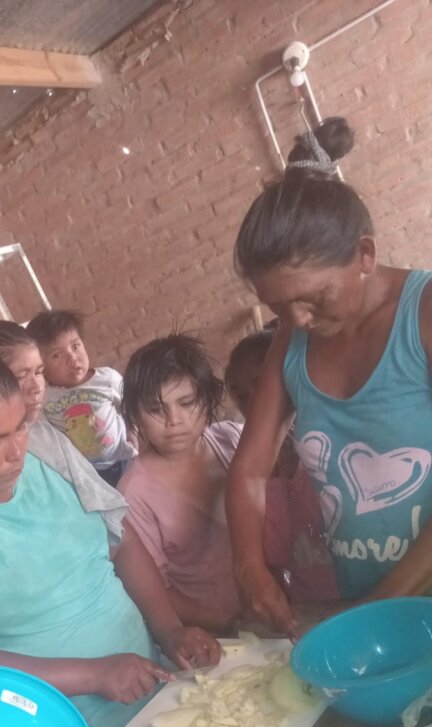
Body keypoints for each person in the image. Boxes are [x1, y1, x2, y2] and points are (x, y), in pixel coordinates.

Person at [0, 345, 220, 727]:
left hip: (158, 690)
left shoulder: (46, 447)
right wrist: (93, 675)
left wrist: (170, 630)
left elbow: (122, 541)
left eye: (20, 427)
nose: (16, 453)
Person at [227, 115, 432, 635]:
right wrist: (250, 569)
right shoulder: (291, 339)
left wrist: (376, 608)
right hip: (363, 598)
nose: (298, 320)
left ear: (365, 254)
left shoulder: (423, 316)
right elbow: (250, 470)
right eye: (279, 306)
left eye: (315, 297)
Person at [118, 334, 242, 632]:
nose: (175, 420)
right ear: (135, 415)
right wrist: (230, 623)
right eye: (156, 409)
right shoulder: (134, 494)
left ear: (208, 398)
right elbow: (154, 590)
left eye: (187, 403)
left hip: (272, 605)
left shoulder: (232, 440)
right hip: (214, 631)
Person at [0, 319, 129, 545]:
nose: (36, 387)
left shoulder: (47, 437)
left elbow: (114, 522)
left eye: (39, 372)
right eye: (20, 377)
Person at [225, 328, 338, 605]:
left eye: (262, 385)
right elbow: (267, 568)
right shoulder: (251, 477)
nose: (255, 403)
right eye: (242, 395)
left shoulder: (328, 452)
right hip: (311, 611)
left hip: (368, 599)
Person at [27, 309, 136, 485]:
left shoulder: (107, 379)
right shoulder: (46, 399)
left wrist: (133, 431)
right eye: (57, 355)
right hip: (87, 477)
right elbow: (47, 437)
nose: (72, 357)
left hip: (124, 459)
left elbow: (131, 407)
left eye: (75, 346)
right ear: (42, 367)